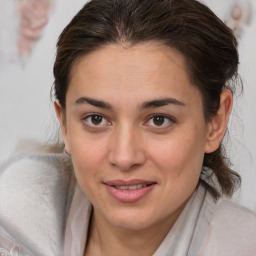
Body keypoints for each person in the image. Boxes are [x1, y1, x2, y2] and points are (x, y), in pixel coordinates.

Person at [0, 0, 256, 255]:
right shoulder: (14, 211)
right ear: (64, 124)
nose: (124, 157)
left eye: (159, 120)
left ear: (215, 122)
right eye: (96, 119)